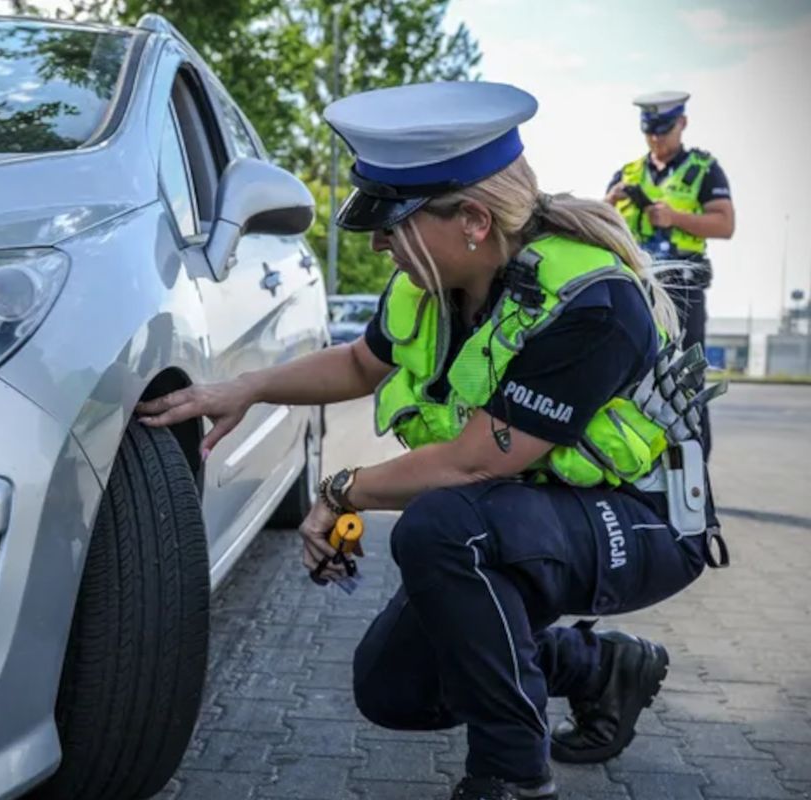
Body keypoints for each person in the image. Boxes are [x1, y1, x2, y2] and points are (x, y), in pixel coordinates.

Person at [137, 81, 726, 800]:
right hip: (530, 509)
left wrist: (341, 492)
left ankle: (510, 774)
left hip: (644, 520)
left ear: (474, 220)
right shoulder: (432, 283)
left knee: (443, 528)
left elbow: (477, 460)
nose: (381, 243)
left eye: (393, 224)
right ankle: (595, 668)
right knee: (392, 687)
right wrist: (248, 388)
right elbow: (361, 362)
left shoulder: (593, 302)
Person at [607, 91, 735, 451]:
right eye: (649, 131)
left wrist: (674, 217)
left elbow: (725, 223)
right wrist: (610, 202)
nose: (655, 138)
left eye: (663, 130)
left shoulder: (703, 170)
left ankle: (694, 462)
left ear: (682, 123)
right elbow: (599, 223)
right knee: (631, 373)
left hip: (682, 289)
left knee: (684, 377)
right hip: (637, 286)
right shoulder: (628, 173)